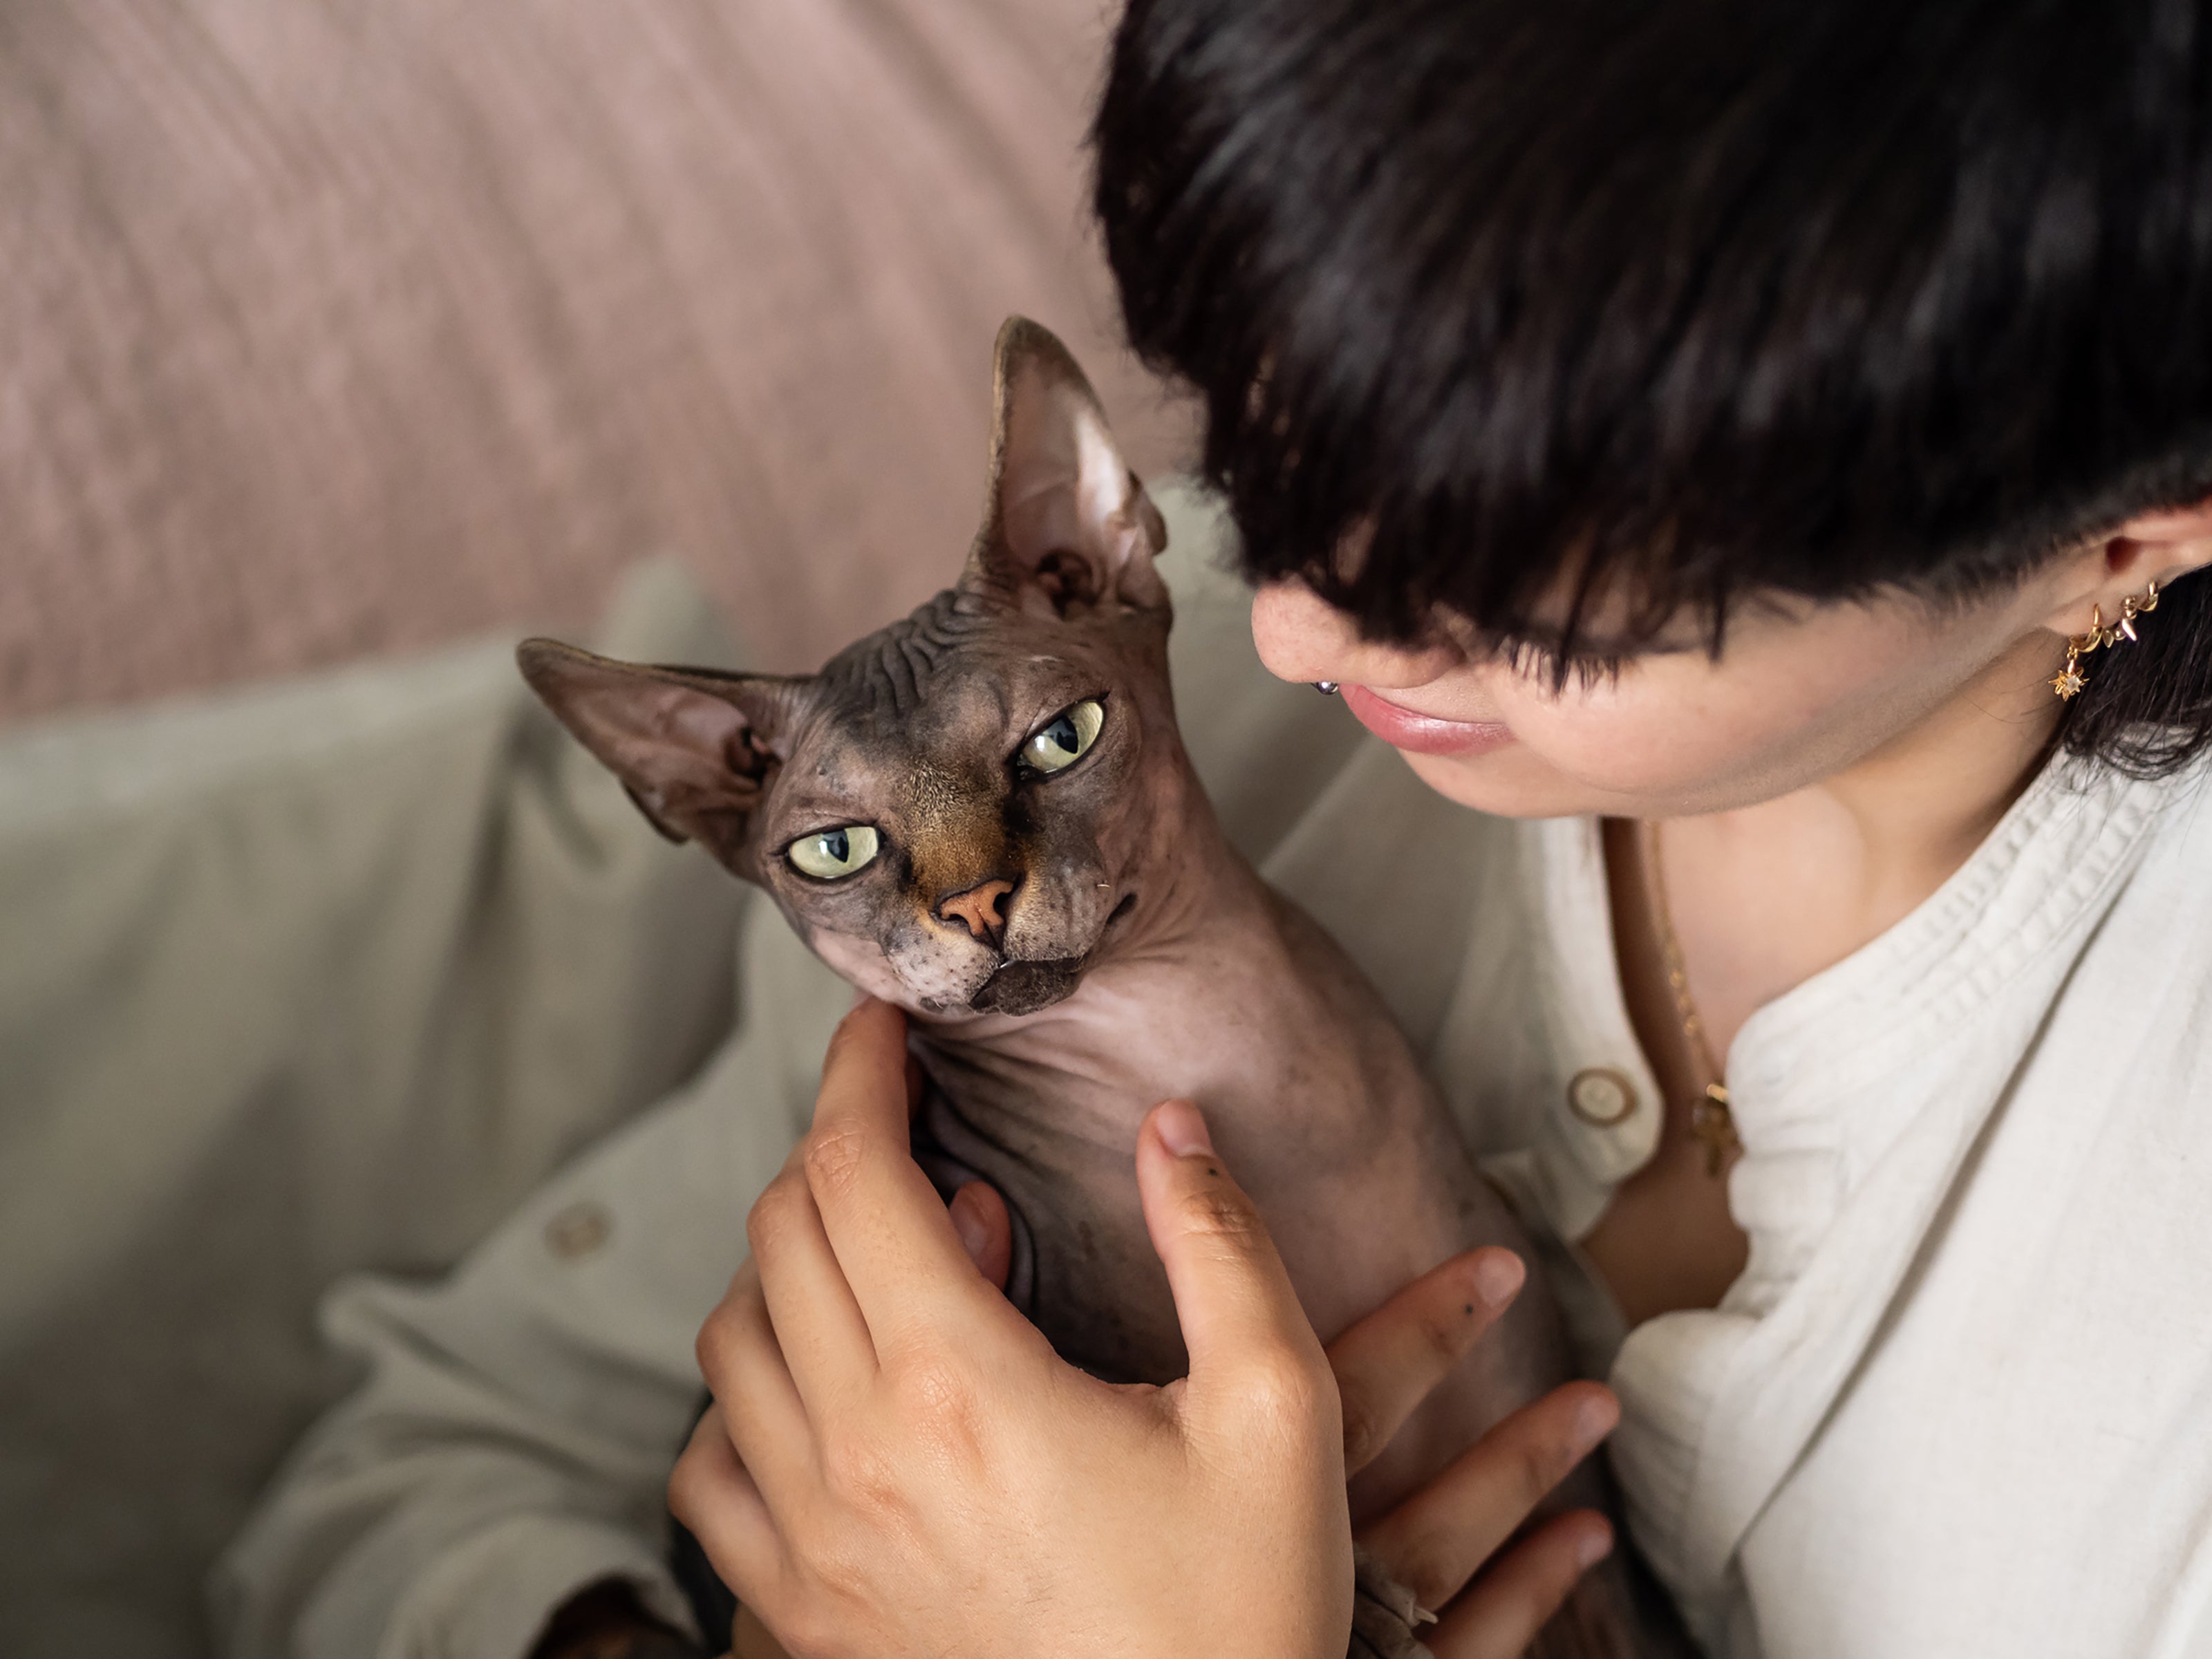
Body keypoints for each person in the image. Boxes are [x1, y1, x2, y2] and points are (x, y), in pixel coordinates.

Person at [221, 1, 2212, 1656]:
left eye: (1505, 575)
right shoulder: (1071, 794)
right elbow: (408, 1486)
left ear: (2111, 538)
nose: (1285, 628)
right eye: (1261, 458)